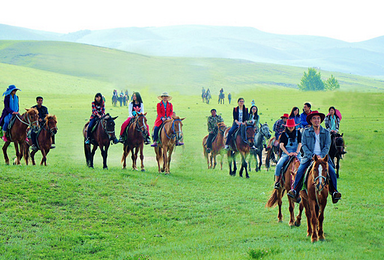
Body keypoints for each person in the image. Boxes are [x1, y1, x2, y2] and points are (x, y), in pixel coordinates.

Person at [287, 111, 341, 204]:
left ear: (321, 120)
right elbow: (303, 145)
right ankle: (295, 190)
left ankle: (334, 192)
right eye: (314, 118)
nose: (317, 120)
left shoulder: (326, 132)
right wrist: (312, 156)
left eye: (318, 118)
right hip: (309, 157)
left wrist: (322, 156)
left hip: (323, 158)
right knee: (300, 170)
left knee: (332, 171)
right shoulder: (306, 132)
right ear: (311, 120)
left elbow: (327, 145)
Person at [273, 119, 302, 189]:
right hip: (286, 153)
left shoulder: (298, 133)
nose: (291, 127)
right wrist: (288, 153)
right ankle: (277, 182)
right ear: (287, 127)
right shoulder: (283, 134)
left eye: (292, 126)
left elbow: (300, 143)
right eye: (289, 126)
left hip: (297, 153)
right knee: (279, 164)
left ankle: (306, 180)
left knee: (303, 164)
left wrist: (297, 152)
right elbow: (281, 145)